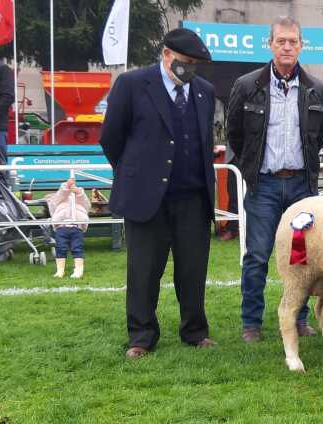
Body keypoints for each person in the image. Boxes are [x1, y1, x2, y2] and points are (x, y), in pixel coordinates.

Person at [100, 28, 218, 358]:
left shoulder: (204, 92)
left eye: (194, 64)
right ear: (166, 55)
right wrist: (135, 173)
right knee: (144, 270)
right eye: (184, 61)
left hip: (193, 197)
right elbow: (111, 138)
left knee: (193, 270)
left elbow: (205, 141)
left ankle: (195, 331)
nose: (189, 68)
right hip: (146, 197)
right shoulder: (132, 85)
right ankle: (141, 335)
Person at [226, 16, 323, 343]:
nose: (287, 47)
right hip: (264, 185)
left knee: (303, 257)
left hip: (301, 186)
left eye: (292, 41)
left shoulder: (316, 88)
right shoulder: (247, 85)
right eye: (281, 41)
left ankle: (300, 319)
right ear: (269, 44)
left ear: (301, 45)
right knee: (257, 255)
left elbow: (319, 135)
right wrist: (252, 168)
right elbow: (234, 133)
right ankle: (251, 324)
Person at [46, 177, 91, 279]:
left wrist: (78, 192)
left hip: (77, 226)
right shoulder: (59, 199)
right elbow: (57, 199)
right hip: (61, 227)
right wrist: (66, 186)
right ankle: (60, 270)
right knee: (60, 248)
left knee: (77, 248)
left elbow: (87, 205)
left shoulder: (79, 199)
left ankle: (78, 270)